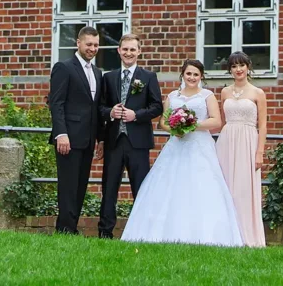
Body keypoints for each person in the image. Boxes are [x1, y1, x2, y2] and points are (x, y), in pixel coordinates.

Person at [118, 59, 244, 247]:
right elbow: (163, 122)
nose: (192, 77)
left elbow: (216, 121)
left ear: (201, 76)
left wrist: (192, 125)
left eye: (196, 74)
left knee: (201, 187)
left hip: (200, 146)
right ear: (183, 75)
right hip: (176, 145)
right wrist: (175, 128)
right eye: (188, 74)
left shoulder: (207, 96)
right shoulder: (173, 96)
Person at [97, 32, 163, 238]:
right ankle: (105, 232)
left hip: (138, 142)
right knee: (109, 188)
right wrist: (110, 112)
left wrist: (136, 115)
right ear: (118, 51)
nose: (128, 53)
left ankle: (141, 232)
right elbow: (99, 107)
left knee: (141, 188)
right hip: (114, 141)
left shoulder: (148, 77)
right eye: (125, 49)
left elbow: (157, 106)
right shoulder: (108, 77)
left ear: (139, 52)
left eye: (132, 49)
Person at [47, 25, 102, 234]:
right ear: (78, 43)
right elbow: (56, 103)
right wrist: (61, 134)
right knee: (68, 186)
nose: (92, 49)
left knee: (80, 186)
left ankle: (72, 227)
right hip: (68, 139)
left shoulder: (97, 72)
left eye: (96, 45)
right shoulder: (64, 67)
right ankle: (64, 229)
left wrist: (100, 138)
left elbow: (95, 108)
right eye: (89, 44)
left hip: (88, 139)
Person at [215, 51, 268, 247]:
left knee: (244, 190)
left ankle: (248, 235)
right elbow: (221, 121)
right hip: (227, 141)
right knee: (226, 186)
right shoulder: (225, 92)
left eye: (241, 65)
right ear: (230, 70)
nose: (238, 69)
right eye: (234, 66)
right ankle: (227, 235)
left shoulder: (258, 93)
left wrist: (259, 152)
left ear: (248, 67)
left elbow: (263, 125)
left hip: (248, 142)